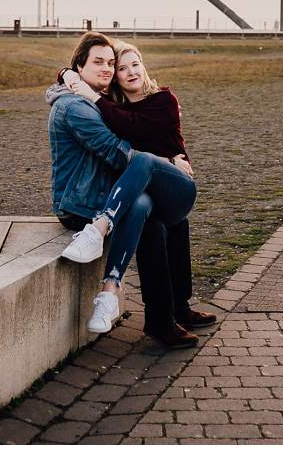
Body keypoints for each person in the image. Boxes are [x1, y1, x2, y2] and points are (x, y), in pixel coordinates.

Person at [46, 32, 200, 347]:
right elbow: (121, 141)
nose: (127, 71)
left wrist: (167, 159)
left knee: (154, 191)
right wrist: (69, 77)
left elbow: (134, 135)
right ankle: (159, 319)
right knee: (148, 218)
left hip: (178, 186)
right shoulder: (106, 106)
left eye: (133, 64)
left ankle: (99, 228)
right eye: (118, 67)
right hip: (140, 192)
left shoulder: (160, 100)